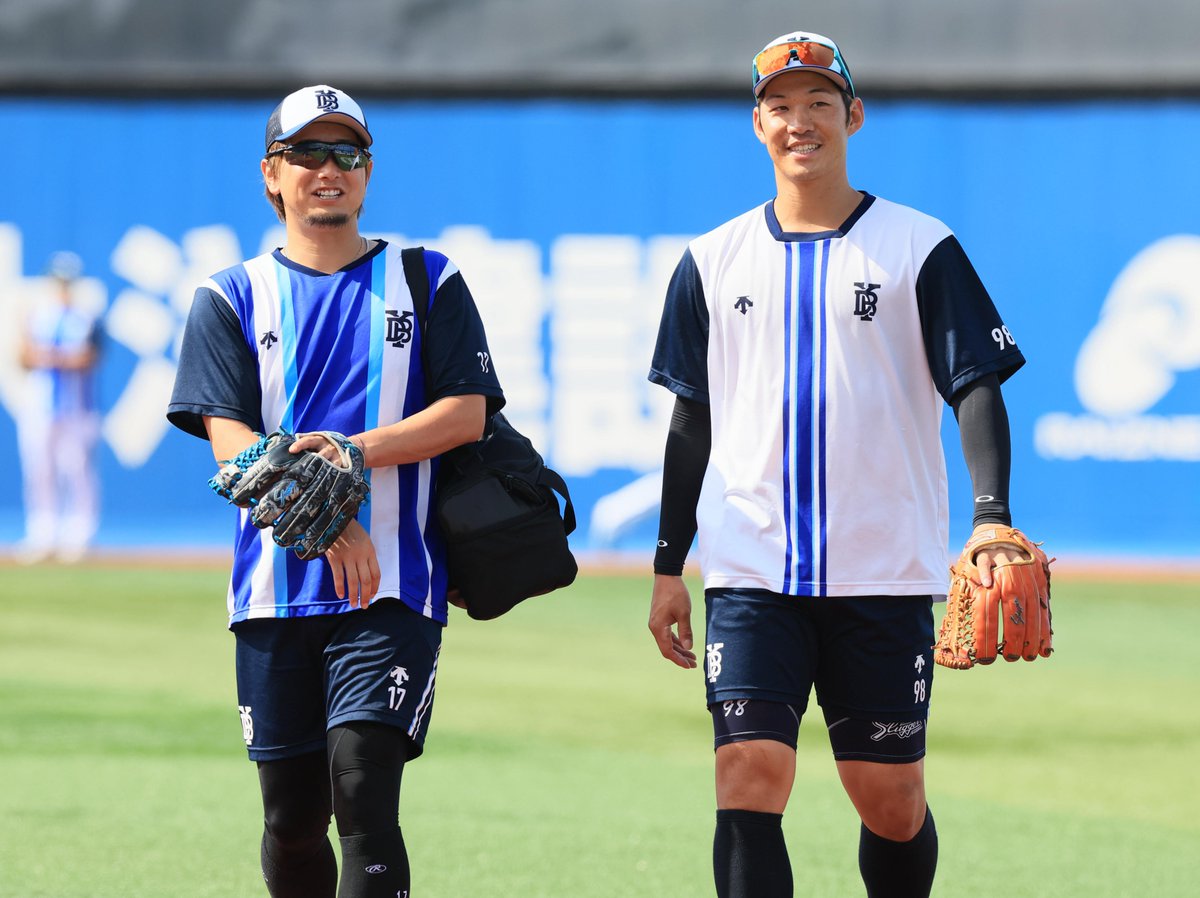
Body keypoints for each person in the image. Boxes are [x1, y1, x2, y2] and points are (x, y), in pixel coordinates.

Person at [646, 31, 1028, 898]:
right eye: (780, 105)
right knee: (748, 777)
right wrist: (669, 567)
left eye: (819, 102)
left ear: (852, 115)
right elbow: (689, 422)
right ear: (757, 124)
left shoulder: (918, 246)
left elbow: (975, 386)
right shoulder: (711, 261)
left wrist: (991, 514)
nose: (799, 121)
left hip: (881, 568)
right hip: (751, 567)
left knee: (889, 799)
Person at [167, 84, 504, 898]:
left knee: (362, 788)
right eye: (307, 153)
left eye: (346, 153)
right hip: (274, 594)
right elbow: (233, 445)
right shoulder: (230, 296)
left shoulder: (427, 279)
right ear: (272, 175)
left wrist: (351, 454)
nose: (329, 169)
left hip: (395, 583)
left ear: (367, 171)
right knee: (290, 818)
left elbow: (465, 412)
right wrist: (328, 525)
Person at [15, 250, 103, 564]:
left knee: (77, 468)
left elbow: (90, 357)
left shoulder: (85, 318)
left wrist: (53, 357)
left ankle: (79, 534)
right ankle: (43, 533)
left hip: (77, 406)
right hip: (40, 406)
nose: (62, 287)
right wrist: (52, 357)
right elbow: (24, 356)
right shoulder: (37, 315)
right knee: (40, 469)